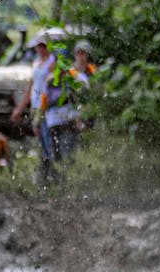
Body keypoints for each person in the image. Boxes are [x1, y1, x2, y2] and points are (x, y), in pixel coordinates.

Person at [41, 40, 96, 176]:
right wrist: (39, 118)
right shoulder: (50, 79)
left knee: (67, 154)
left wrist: (81, 118)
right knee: (53, 154)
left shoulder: (78, 78)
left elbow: (84, 100)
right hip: (52, 122)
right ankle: (56, 182)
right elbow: (44, 100)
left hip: (69, 121)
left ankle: (68, 181)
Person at [11, 31, 57, 184]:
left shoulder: (52, 62)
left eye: (43, 46)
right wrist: (20, 108)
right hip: (35, 105)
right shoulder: (36, 63)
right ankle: (45, 173)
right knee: (40, 138)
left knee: (47, 137)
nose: (41, 49)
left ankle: (52, 173)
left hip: (47, 105)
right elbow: (30, 87)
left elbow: (52, 85)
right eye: (39, 47)